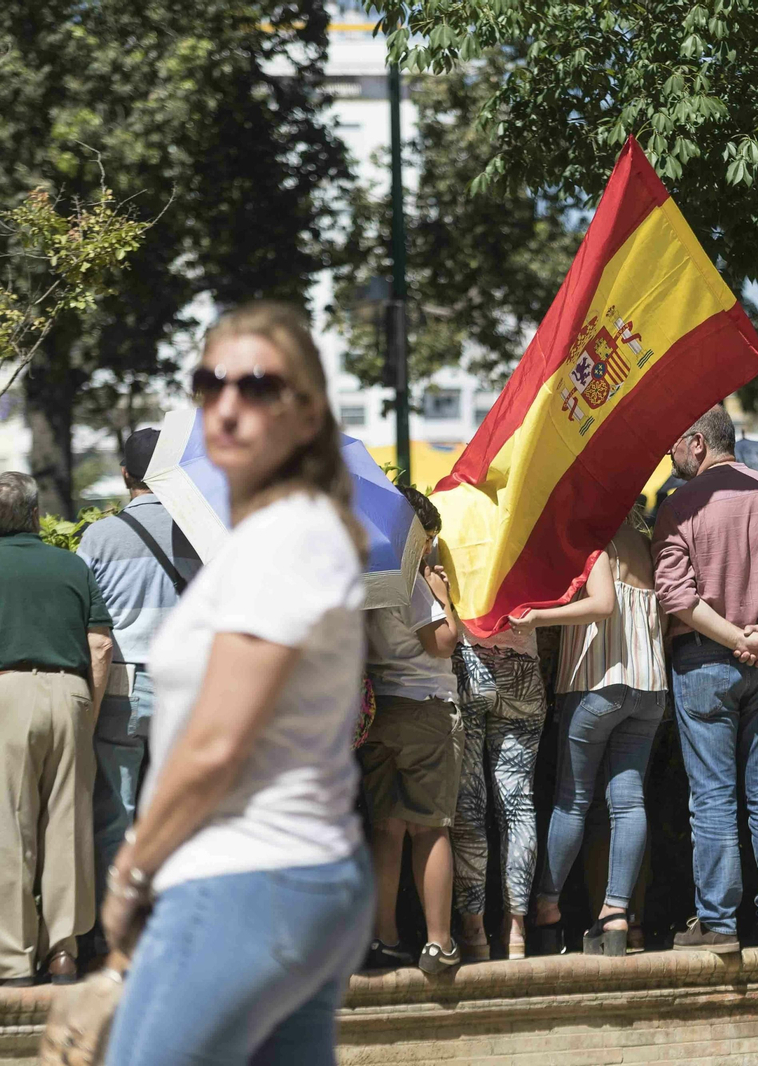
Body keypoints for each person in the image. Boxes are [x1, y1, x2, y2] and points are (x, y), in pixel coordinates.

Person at [101, 302, 372, 1065]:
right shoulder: (280, 532)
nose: (225, 405)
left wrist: (131, 871)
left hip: (247, 876)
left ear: (308, 414)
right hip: (290, 878)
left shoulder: (285, 536)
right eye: (208, 384)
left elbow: (215, 744)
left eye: (256, 386)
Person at [652, 404, 758, 954]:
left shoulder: (680, 505)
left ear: (699, 443)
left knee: (712, 795)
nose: (669, 451)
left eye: (676, 441)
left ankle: (719, 924)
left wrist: (736, 639)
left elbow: (676, 597)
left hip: (705, 661)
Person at [0, 471, 114, 986]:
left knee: (7, 830)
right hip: (71, 694)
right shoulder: (72, 565)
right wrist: (87, 710)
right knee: (68, 826)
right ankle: (63, 953)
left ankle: (12, 962)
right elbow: (101, 645)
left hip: (5, 694)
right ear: (37, 515)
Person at [519, 507, 666, 957]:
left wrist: (537, 618)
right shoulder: (646, 543)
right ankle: (617, 912)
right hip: (650, 687)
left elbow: (603, 604)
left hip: (597, 683)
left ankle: (547, 909)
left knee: (572, 800)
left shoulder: (596, 541)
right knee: (629, 801)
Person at [76, 428, 201, 951]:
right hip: (185, 686)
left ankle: (119, 937)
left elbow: (83, 618)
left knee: (117, 813)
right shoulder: (199, 533)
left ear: (125, 475)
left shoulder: (99, 537)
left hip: (122, 684)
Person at [358, 485, 463, 976]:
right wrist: (444, 599)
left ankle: (385, 938)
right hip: (426, 708)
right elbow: (441, 642)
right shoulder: (410, 580)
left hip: (381, 711)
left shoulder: (362, 576)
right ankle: (439, 943)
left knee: (387, 828)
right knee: (429, 827)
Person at [450, 611, 549, 961]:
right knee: (519, 804)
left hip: (470, 660)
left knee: (469, 803)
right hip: (523, 666)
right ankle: (516, 929)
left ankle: (474, 929)